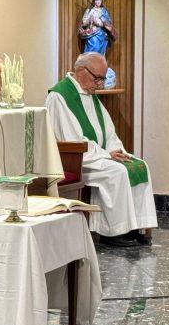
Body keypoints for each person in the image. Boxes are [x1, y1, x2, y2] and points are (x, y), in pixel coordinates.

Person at [45, 52, 157, 247]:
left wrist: (116, 151)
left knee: (140, 165)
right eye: (98, 78)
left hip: (97, 155)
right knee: (118, 172)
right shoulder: (60, 96)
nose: (100, 83)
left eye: (103, 78)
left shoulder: (89, 94)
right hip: (77, 159)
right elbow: (71, 140)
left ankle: (135, 227)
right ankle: (113, 232)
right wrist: (107, 155)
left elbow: (109, 132)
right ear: (81, 72)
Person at [78, 0, 117, 87]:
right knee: (91, 51)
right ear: (94, 1)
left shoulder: (104, 11)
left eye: (100, 1)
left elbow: (108, 23)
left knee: (100, 55)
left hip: (101, 35)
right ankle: (88, 70)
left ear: (101, 2)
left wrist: (101, 22)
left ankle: (98, 72)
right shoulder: (89, 10)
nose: (98, 2)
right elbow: (84, 22)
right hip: (92, 34)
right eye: (96, 0)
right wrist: (91, 19)